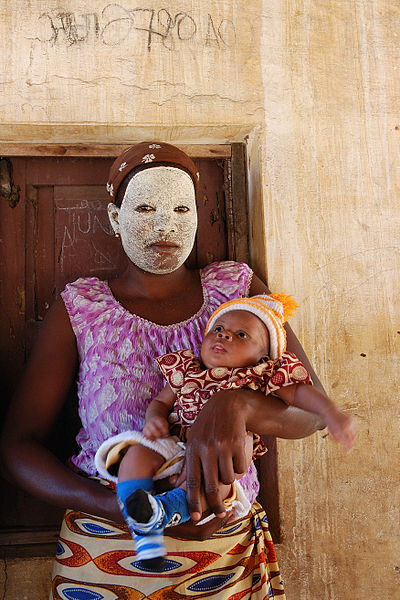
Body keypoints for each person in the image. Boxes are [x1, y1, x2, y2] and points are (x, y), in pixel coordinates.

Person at [0, 141, 329, 599]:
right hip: (106, 556)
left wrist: (237, 405)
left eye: (181, 207)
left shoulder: (237, 292)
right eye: (146, 207)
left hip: (224, 555)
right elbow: (18, 448)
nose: (165, 225)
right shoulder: (81, 307)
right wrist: (118, 507)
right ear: (115, 219)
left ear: (198, 215)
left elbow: (312, 414)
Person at [95, 293, 356, 569]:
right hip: (173, 442)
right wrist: (155, 418)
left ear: (262, 357)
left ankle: (165, 510)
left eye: (241, 334)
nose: (225, 336)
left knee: (217, 476)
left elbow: (301, 394)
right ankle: (141, 525)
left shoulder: (259, 375)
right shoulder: (187, 370)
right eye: (218, 329)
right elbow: (161, 402)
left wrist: (332, 412)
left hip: (222, 457)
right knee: (135, 456)